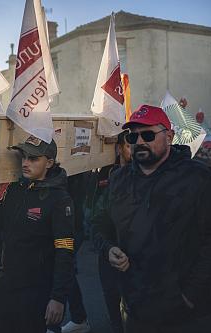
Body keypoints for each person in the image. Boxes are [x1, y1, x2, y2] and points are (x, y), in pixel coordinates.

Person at [95, 105, 211, 333]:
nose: (139, 141)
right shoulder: (119, 180)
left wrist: (190, 294)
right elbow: (99, 224)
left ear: (169, 137)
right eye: (133, 136)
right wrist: (109, 248)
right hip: (137, 309)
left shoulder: (198, 177)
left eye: (148, 134)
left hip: (189, 313)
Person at [0, 136, 75, 333]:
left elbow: (65, 252)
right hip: (7, 284)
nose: (25, 163)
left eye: (33, 158)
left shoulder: (59, 198)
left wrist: (58, 297)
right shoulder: (15, 189)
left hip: (38, 290)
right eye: (23, 157)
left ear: (49, 162)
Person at [89, 130, 131, 333]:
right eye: (130, 144)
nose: (137, 147)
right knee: (112, 301)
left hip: (137, 261)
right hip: (110, 254)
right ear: (120, 148)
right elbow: (95, 219)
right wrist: (107, 248)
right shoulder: (106, 174)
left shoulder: (151, 178)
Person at [61, 172, 91, 333]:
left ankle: (78, 318)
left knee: (64, 269)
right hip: (68, 227)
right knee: (66, 269)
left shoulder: (74, 173)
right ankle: (79, 318)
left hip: (71, 229)